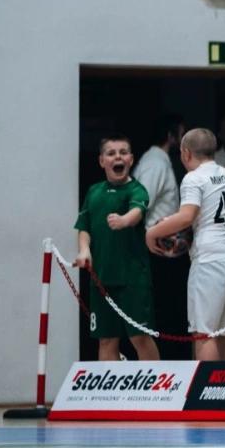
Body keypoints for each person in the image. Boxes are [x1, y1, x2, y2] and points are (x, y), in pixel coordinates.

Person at [145, 128, 225, 362]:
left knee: (204, 333)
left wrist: (152, 233)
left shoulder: (194, 178)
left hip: (210, 260)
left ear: (186, 153)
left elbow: (186, 217)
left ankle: (205, 387)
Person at [73, 136, 161, 362]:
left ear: (131, 159)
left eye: (123, 152)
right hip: (102, 279)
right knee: (106, 340)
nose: (118, 157)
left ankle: (155, 382)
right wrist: (84, 250)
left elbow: (137, 212)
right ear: (102, 161)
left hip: (133, 279)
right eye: (111, 153)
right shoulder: (94, 191)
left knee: (140, 337)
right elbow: (84, 228)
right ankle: (110, 386)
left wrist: (123, 221)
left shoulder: (137, 189)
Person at [134, 113, 187, 353]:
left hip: (166, 248)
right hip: (157, 249)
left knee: (170, 309)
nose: (183, 140)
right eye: (181, 134)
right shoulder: (154, 163)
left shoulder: (160, 160)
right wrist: (151, 234)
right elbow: (141, 203)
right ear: (170, 136)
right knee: (164, 309)